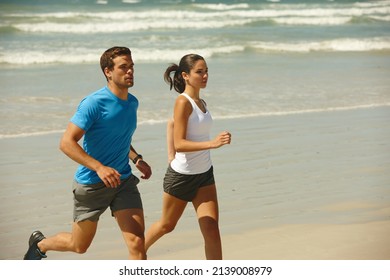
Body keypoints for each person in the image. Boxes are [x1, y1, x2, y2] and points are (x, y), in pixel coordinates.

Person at [23, 46, 152, 260]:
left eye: (131, 67)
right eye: (123, 67)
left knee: (137, 242)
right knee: (79, 245)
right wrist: (99, 168)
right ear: (107, 72)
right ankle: (41, 244)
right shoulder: (93, 103)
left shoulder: (132, 103)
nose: (129, 71)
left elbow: (120, 137)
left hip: (123, 180)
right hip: (92, 184)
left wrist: (136, 158)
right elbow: (66, 143)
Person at [145, 54, 231, 259]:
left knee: (211, 229)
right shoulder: (182, 102)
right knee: (167, 225)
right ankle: (136, 252)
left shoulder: (200, 102)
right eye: (199, 72)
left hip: (204, 175)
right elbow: (180, 143)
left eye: (206, 71)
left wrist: (169, 154)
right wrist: (212, 144)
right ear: (185, 75)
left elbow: (171, 123)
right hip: (182, 177)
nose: (205, 75)